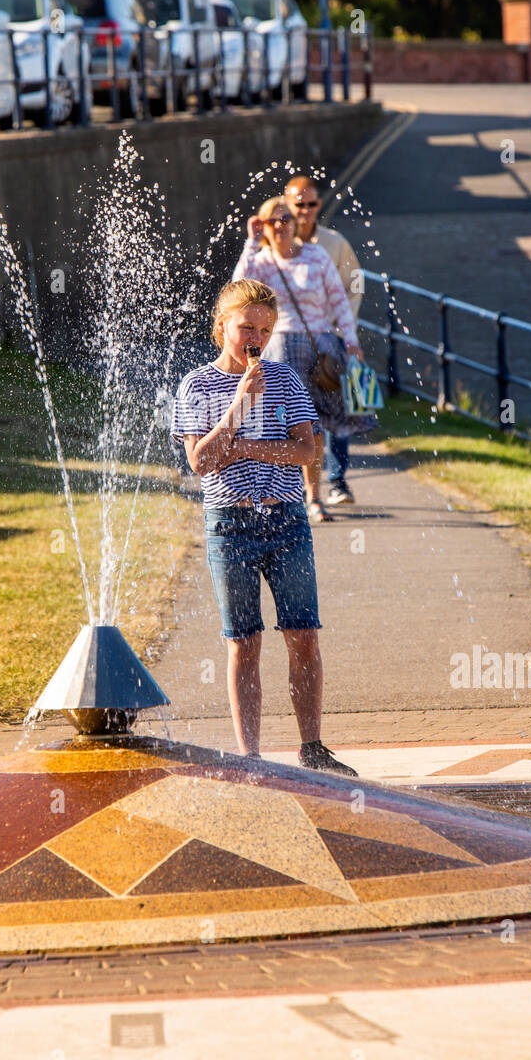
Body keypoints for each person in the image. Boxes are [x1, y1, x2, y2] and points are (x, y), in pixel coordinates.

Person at [170, 277, 358, 777]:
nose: (255, 337)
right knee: (244, 641)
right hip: (229, 525)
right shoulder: (197, 385)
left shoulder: (287, 380)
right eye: (246, 327)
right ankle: (250, 757)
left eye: (265, 329)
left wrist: (250, 447)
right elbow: (202, 461)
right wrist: (238, 404)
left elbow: (306, 451)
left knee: (303, 635)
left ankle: (312, 747)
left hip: (286, 520)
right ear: (221, 328)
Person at [233, 196, 361, 523]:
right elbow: (236, 290)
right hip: (277, 350)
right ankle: (278, 496)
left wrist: (351, 339)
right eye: (273, 221)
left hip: (319, 348)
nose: (281, 226)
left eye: (286, 218)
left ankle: (315, 497)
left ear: (295, 222)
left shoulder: (316, 255)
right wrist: (251, 240)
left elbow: (339, 299)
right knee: (278, 426)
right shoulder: (260, 260)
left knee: (315, 425)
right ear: (264, 226)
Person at [285, 174, 373, 506]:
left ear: (319, 204)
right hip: (288, 343)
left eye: (312, 204)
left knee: (336, 411)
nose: (305, 210)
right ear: (288, 203)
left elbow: (355, 283)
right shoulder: (277, 245)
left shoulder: (334, 243)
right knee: (292, 413)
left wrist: (343, 329)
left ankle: (337, 481)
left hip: (329, 338)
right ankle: (298, 487)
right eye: (299, 204)